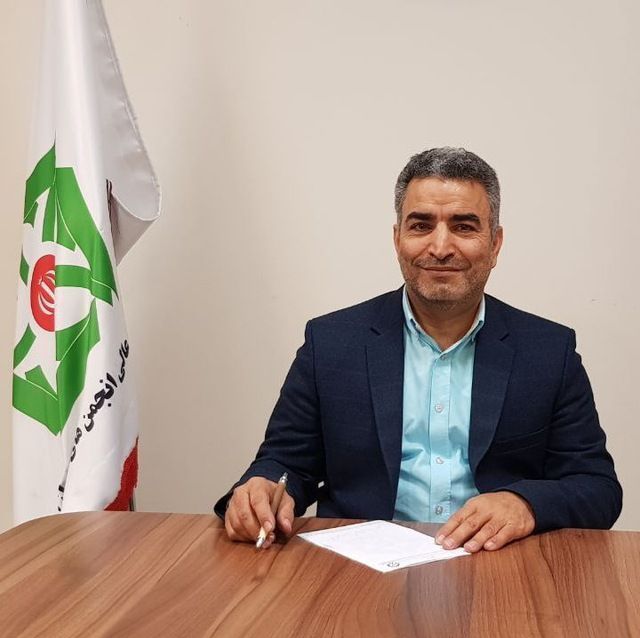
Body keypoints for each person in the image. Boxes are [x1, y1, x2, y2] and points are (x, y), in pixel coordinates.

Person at [214, 147, 622, 552]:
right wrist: (261, 490)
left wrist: (525, 503)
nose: (440, 247)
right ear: (398, 239)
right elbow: (285, 464)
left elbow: (597, 488)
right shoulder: (331, 343)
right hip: (358, 571)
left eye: (464, 227)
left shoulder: (548, 351)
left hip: (497, 565)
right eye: (421, 225)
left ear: (495, 244)